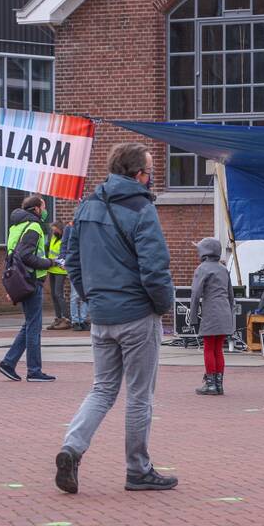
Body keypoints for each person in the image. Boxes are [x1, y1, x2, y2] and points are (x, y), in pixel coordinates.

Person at [55, 142, 176, 494]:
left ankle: (72, 448)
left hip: (101, 314)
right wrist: (162, 305)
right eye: (150, 172)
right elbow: (155, 268)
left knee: (102, 389)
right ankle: (137, 469)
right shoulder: (141, 207)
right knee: (140, 395)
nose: (151, 179)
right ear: (140, 174)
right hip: (137, 313)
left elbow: (71, 259)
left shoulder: (87, 206)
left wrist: (91, 296)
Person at [0, 195, 56, 382]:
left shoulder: (15, 226)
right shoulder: (34, 227)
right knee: (34, 327)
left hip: (20, 280)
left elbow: (13, 255)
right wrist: (49, 262)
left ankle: (8, 363)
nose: (45, 211)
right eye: (44, 207)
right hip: (31, 281)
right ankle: (34, 370)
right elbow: (26, 256)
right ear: (37, 209)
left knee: (29, 323)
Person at [189, 237, 235, 396]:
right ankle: (219, 384)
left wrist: (193, 316)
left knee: (208, 347)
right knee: (218, 349)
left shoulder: (202, 269)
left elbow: (195, 294)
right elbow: (231, 296)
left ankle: (210, 385)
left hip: (211, 311)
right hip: (224, 311)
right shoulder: (223, 269)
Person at [63, 220, 89, 331]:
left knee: (85, 294)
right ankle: (75, 321)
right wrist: (64, 259)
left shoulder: (88, 227)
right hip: (77, 264)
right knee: (75, 295)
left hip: (87, 264)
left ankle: (82, 320)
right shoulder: (70, 227)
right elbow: (65, 244)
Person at [46, 221, 71, 330]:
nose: (53, 231)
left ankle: (67, 318)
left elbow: (65, 253)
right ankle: (58, 318)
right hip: (52, 269)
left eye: (54, 229)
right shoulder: (53, 238)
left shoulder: (64, 239)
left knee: (58, 294)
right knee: (53, 295)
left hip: (60, 270)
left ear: (59, 229)